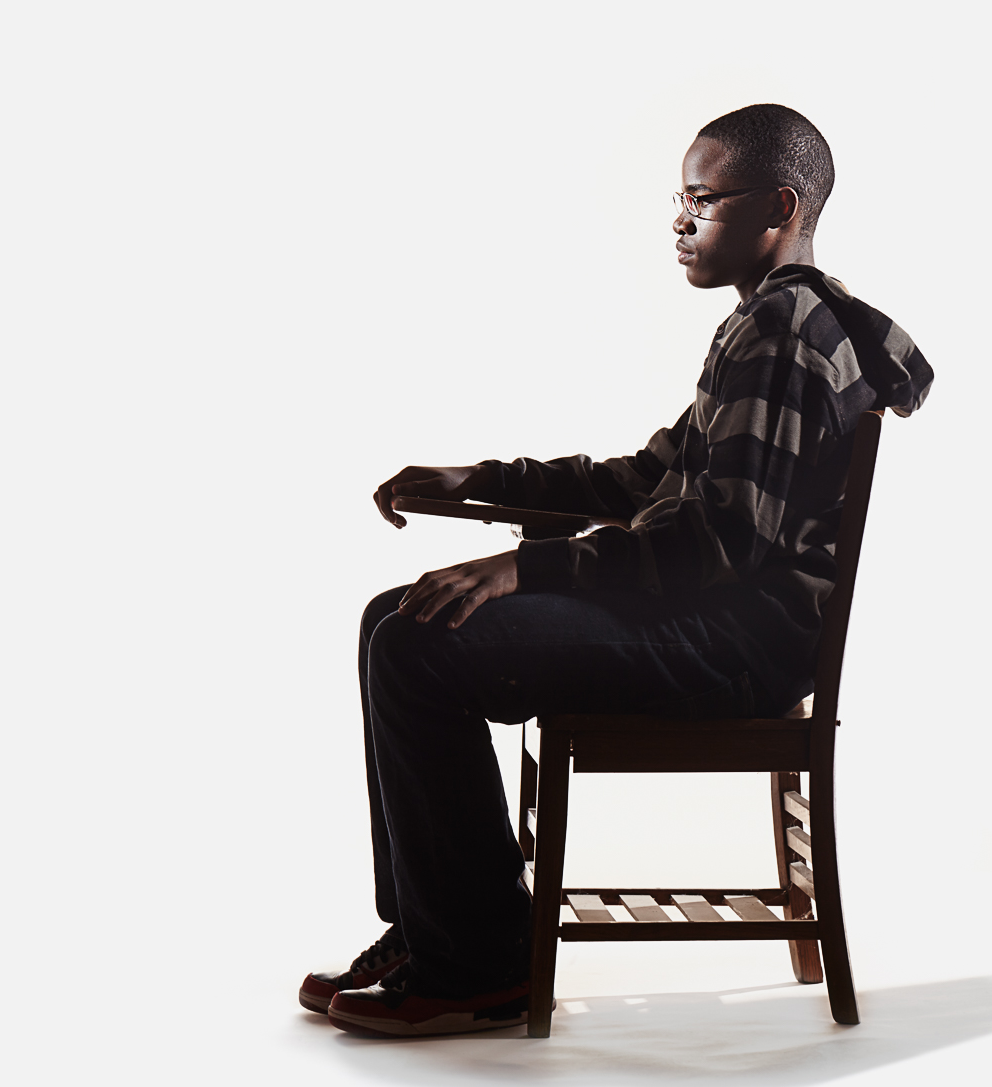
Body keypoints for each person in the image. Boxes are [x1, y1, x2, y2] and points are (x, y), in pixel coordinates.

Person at [300, 104, 934, 1038]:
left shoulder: (781, 334)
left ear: (781, 207)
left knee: (412, 642)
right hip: (725, 625)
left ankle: (476, 963)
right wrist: (478, 481)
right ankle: (437, 930)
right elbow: (646, 480)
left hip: (735, 647)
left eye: (703, 199)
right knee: (393, 615)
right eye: (678, 199)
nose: (680, 221)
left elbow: (719, 541)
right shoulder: (773, 321)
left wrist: (526, 571)